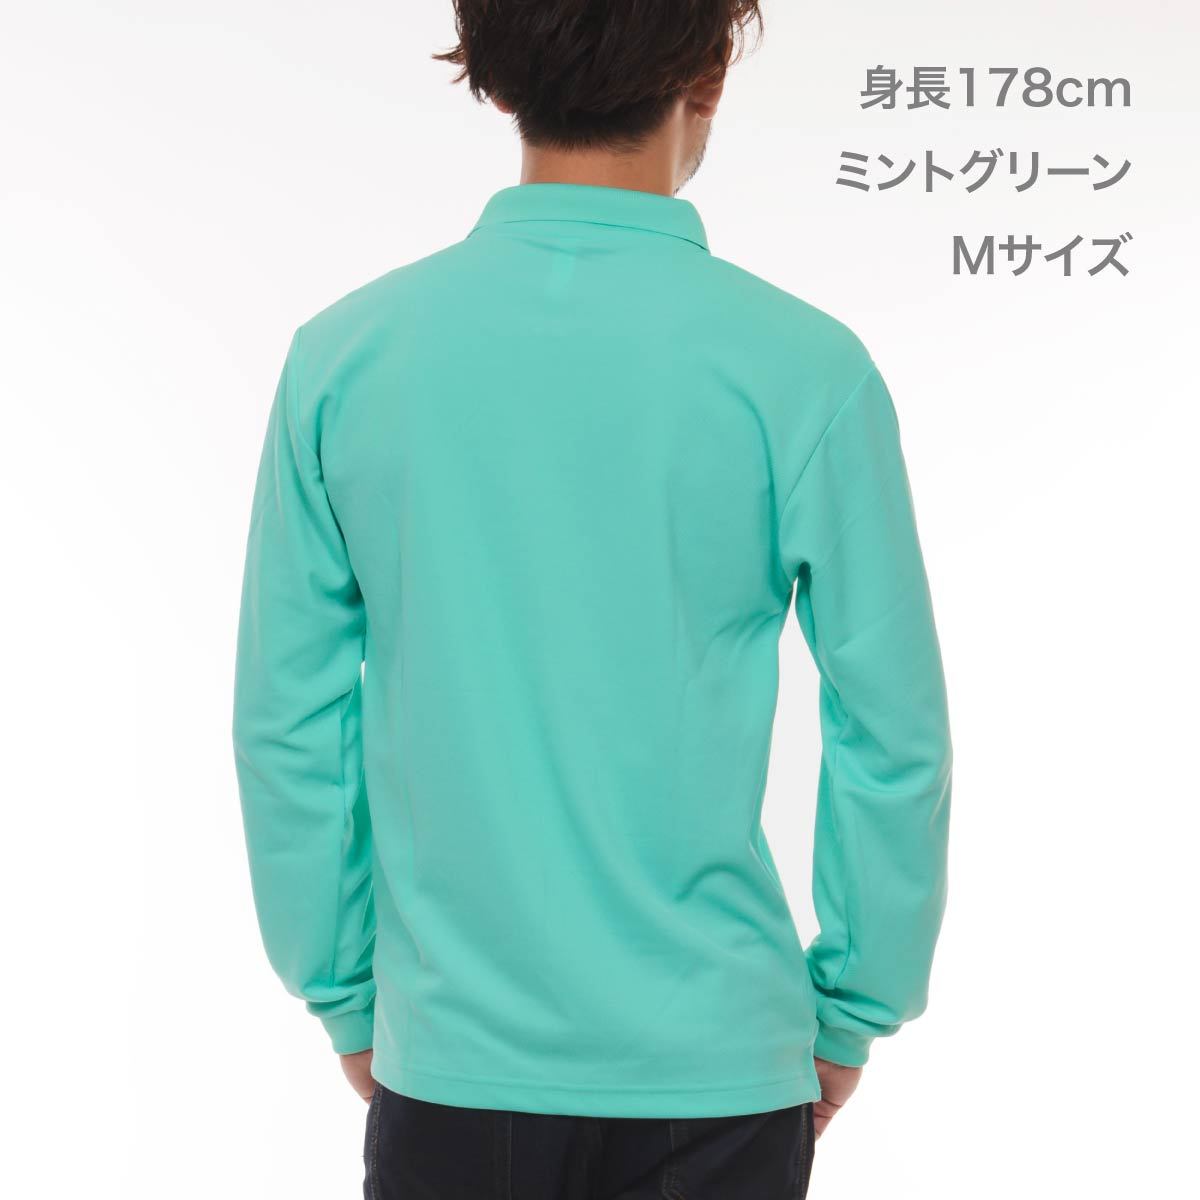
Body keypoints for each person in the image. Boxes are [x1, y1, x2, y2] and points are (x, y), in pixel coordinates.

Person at [231, 3, 953, 1196]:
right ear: (709, 73)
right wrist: (853, 1007)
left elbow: (290, 724)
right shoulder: (803, 368)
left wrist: (346, 993)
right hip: (720, 1067)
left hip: (454, 1056)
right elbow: (893, 731)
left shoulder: (346, 358)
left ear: (494, 74)